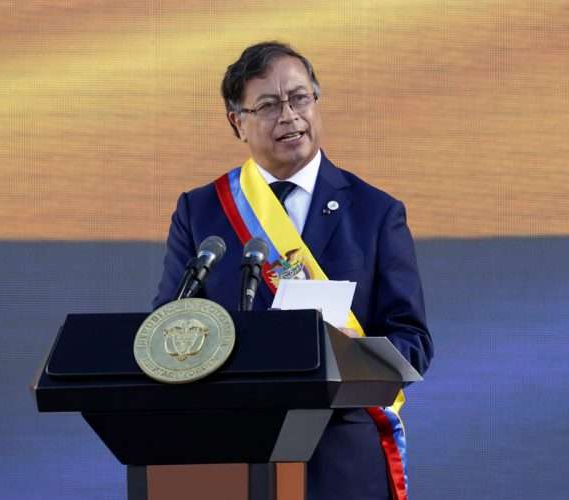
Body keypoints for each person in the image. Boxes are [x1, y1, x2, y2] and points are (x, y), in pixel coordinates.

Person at [153, 41, 433, 500]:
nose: (289, 115)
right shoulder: (201, 211)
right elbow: (173, 325)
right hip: (229, 451)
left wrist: (344, 356)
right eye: (267, 105)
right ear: (236, 122)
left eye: (299, 98)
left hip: (342, 457)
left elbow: (413, 342)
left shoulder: (375, 213)